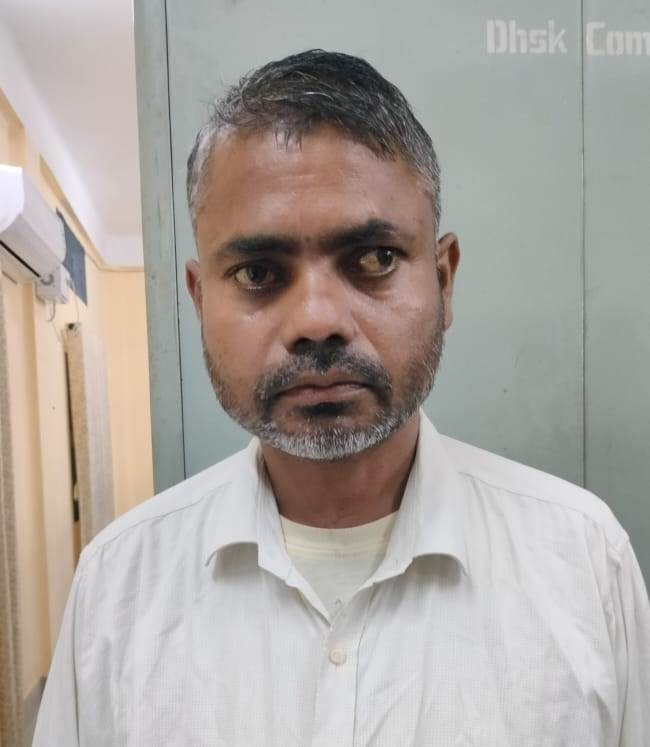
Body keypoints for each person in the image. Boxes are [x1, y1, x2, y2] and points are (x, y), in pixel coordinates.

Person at [34, 49, 649, 746]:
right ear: (200, 301)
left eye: (374, 259)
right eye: (259, 272)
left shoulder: (584, 562)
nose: (317, 320)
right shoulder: (117, 589)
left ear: (444, 280)